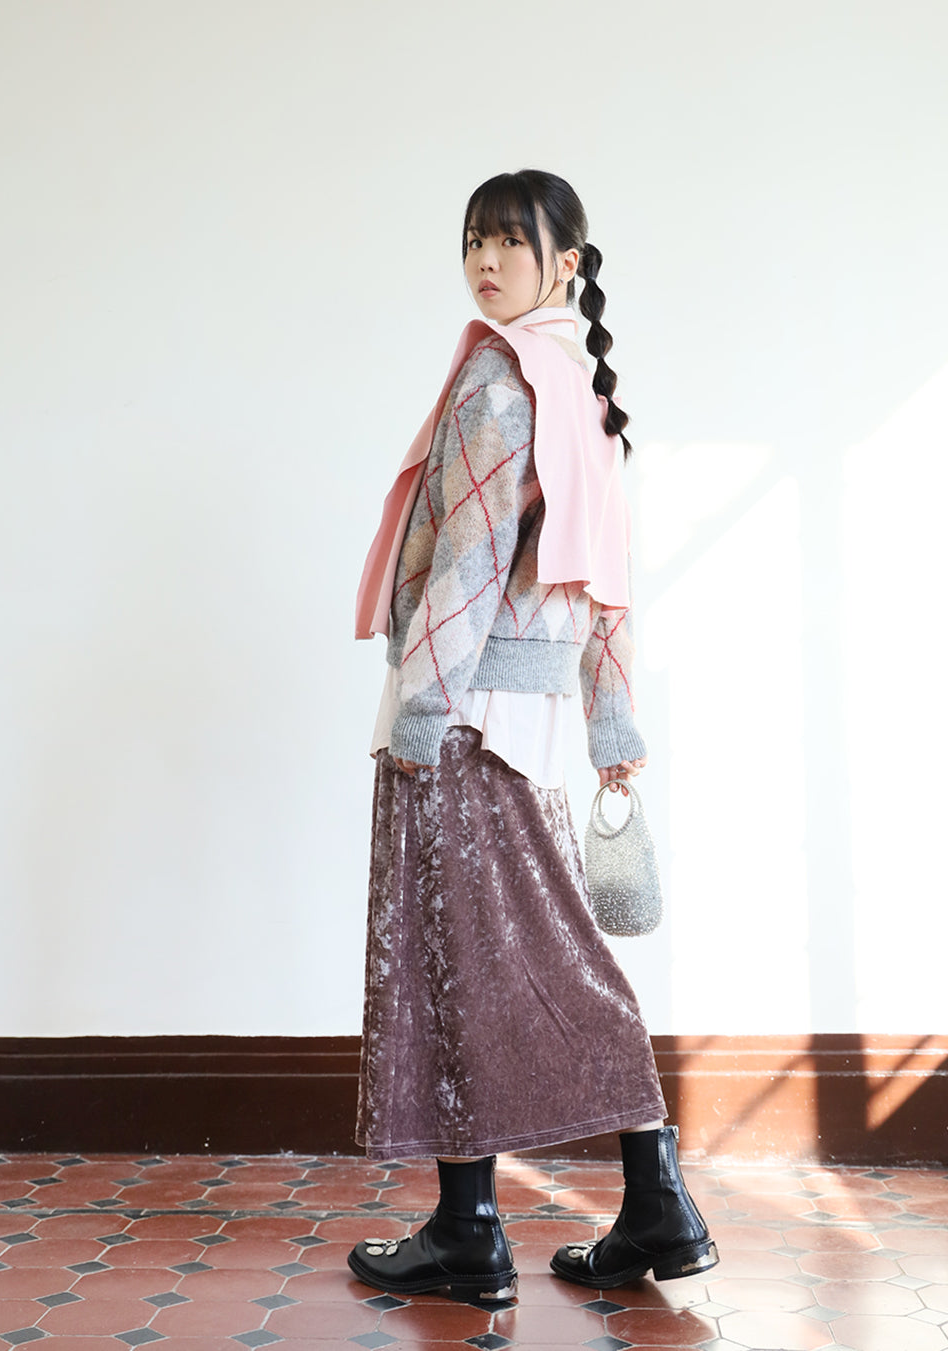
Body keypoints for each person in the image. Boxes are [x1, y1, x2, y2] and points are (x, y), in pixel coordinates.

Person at [349, 170, 718, 1303]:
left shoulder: (502, 379)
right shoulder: (584, 391)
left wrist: (420, 710)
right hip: (533, 720)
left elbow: (466, 556)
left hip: (463, 717)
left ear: (568, 261)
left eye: (511, 240)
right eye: (474, 239)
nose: (486, 259)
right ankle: (620, 1207)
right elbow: (610, 596)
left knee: (468, 963)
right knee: (511, 959)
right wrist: (610, 725)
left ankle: (484, 1229)